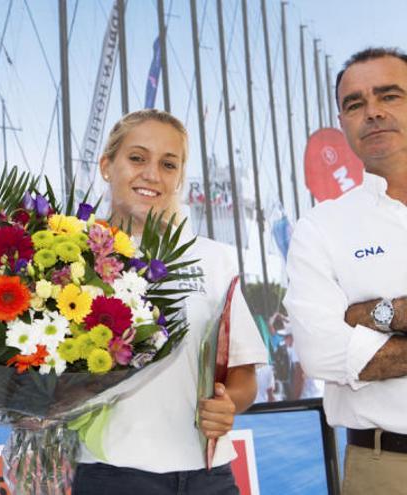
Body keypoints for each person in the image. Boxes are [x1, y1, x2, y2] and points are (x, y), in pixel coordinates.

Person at [71, 110, 268, 494]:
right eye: (137, 158)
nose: (151, 174)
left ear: (179, 177)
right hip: (111, 474)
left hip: (210, 475)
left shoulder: (213, 259)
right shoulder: (70, 260)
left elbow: (243, 377)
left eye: (168, 164)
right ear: (107, 165)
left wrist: (228, 405)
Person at [284, 47, 407, 494]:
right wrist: (398, 311)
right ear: (343, 123)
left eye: (389, 96)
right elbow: (322, 354)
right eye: (355, 104)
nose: (372, 112)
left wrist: (368, 315)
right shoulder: (321, 227)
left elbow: (346, 345)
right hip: (387, 468)